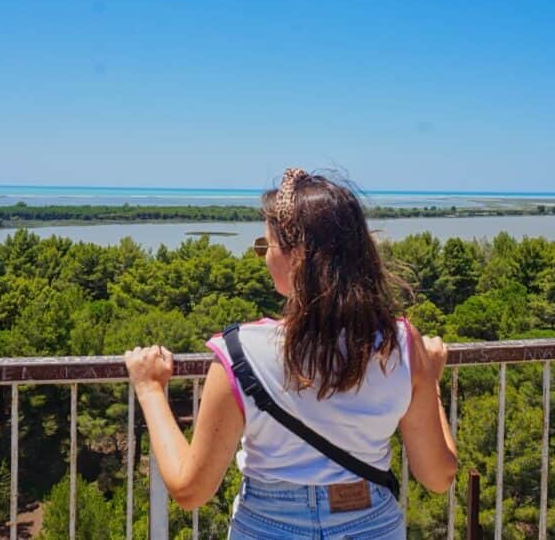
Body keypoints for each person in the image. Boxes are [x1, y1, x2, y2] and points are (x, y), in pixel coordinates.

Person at [125, 169, 457, 538]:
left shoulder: (240, 352)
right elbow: (438, 476)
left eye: (266, 246)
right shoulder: (400, 343)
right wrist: (430, 380)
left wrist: (150, 389)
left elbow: (190, 490)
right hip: (372, 524)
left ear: (297, 256)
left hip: (269, 525)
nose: (264, 257)